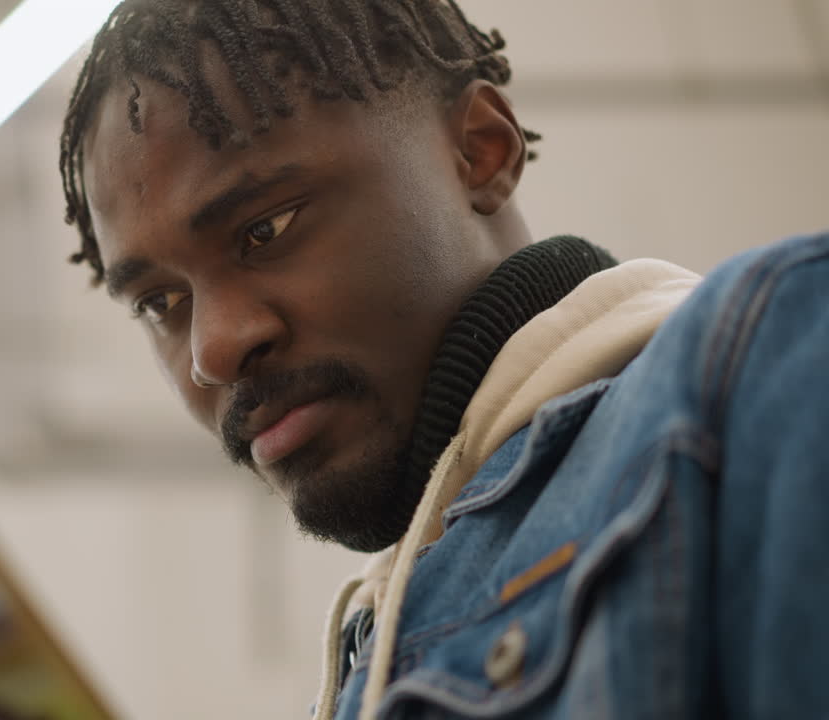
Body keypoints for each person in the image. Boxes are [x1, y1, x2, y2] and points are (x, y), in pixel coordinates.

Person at [56, 1, 829, 718]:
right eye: (159, 303)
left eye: (267, 228)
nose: (214, 352)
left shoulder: (767, 363)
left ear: (479, 153)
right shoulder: (390, 617)